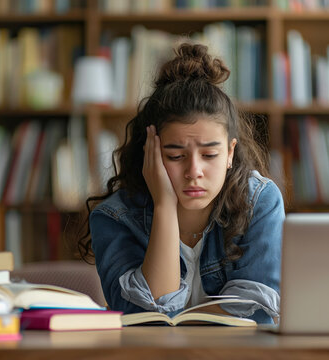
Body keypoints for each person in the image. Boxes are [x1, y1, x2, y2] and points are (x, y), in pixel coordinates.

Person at [78, 42, 285, 324]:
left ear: (230, 153)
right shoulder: (115, 217)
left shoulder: (259, 201)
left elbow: (256, 314)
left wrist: (178, 320)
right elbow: (146, 320)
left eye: (210, 154)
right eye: (175, 156)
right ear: (150, 153)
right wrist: (164, 205)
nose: (194, 171)